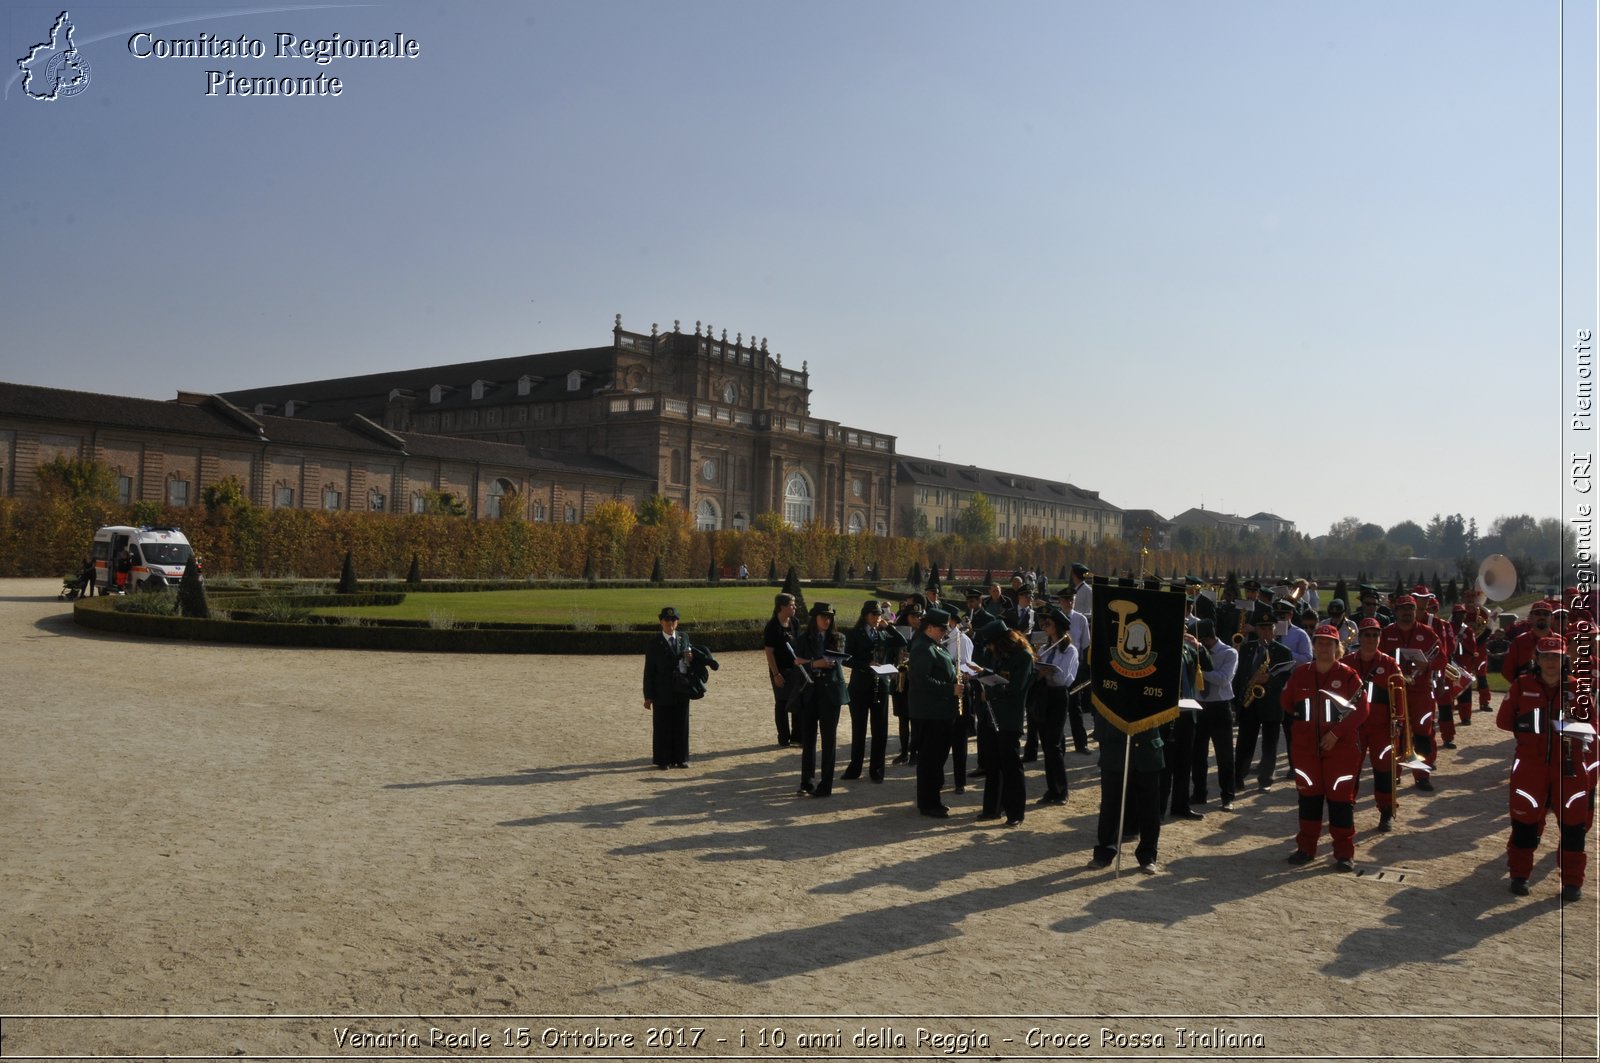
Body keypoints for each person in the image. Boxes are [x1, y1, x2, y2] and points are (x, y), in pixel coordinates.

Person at [1499, 636, 1596, 902]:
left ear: (1565, 659)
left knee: (1573, 827)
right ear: (1537, 659)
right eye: (1545, 656)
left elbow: (1594, 730)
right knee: (1525, 823)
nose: (1550, 662)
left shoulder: (1578, 689)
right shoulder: (1522, 685)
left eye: (1556, 657)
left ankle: (1572, 882)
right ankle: (1519, 876)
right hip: (1531, 766)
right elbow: (1503, 721)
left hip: (1570, 768)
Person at [1279, 625, 1370, 871]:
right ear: (1314, 645)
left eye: (1329, 643)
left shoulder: (1350, 676)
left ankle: (1343, 853)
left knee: (1340, 800)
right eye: (1319, 642)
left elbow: (1362, 710)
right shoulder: (1300, 674)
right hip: (1306, 749)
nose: (1323, 647)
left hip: (1341, 749)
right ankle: (1306, 848)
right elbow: (1287, 703)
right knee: (1309, 799)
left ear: (1337, 647)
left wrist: (1335, 733)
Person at [1341, 618, 1405, 832]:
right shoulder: (1347, 662)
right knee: (1351, 769)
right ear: (1360, 638)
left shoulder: (1389, 664)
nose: (1371, 639)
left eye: (1375, 635)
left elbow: (1399, 696)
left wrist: (1399, 723)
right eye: (1367, 635)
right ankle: (1346, 807)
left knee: (1384, 771)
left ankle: (1386, 812)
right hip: (1354, 726)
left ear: (1380, 638)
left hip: (1381, 727)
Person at [974, 619, 1035, 826]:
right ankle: (992, 808)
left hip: (1009, 717)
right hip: (991, 715)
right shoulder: (994, 654)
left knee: (1011, 766)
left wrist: (991, 689)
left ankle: (1015, 813)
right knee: (992, 764)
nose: (989, 648)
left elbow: (1016, 688)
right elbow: (990, 673)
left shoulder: (1023, 657)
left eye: (992, 643)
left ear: (1002, 641)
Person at [1378, 595, 1442, 791]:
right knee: (1395, 733)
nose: (1406, 612)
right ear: (1396, 611)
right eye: (1402, 608)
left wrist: (1428, 664)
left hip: (1420, 692)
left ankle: (1421, 775)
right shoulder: (1386, 633)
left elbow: (1443, 659)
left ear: (1416, 611)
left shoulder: (1428, 633)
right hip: (1395, 691)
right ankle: (1394, 774)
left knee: (1423, 734)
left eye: (1410, 609)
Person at [1233, 607, 1296, 793]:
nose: (1266, 632)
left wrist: (1270, 680)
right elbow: (1239, 675)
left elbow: (1286, 677)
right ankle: (1239, 777)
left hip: (1272, 703)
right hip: (1249, 702)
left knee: (1270, 743)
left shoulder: (1283, 652)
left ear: (1275, 629)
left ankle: (1266, 779)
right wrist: (1237, 700)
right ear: (1257, 630)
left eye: (1269, 628)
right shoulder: (1246, 648)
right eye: (1262, 628)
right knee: (1245, 742)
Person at [842, 600, 905, 783]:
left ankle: (877, 770)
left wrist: (890, 627)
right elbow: (846, 659)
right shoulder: (854, 634)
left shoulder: (882, 633)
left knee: (880, 730)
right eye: (874, 615)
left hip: (881, 686)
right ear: (865, 616)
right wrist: (865, 665)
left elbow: (901, 641)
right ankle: (855, 768)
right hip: (860, 686)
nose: (878, 618)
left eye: (879, 615)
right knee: (859, 729)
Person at [907, 607, 961, 818]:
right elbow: (921, 681)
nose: (944, 633)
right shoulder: (922, 648)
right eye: (941, 629)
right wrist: (950, 689)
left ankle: (932, 799)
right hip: (930, 712)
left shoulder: (934, 645)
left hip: (940, 712)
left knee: (936, 759)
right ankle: (928, 802)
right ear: (930, 628)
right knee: (930, 759)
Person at [795, 602, 848, 797]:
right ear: (815, 618)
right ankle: (806, 781)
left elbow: (835, 662)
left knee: (829, 740)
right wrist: (813, 663)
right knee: (808, 740)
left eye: (830, 617)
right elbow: (796, 665)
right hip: (809, 693)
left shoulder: (838, 638)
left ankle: (826, 784)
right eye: (823, 616)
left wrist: (809, 662)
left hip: (830, 694)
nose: (827, 620)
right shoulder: (803, 639)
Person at [1190, 619, 1239, 811]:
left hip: (1220, 707)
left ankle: (1227, 796)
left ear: (1210, 638)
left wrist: (1199, 671)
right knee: (1198, 754)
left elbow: (1223, 679)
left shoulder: (1228, 653)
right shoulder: (1194, 651)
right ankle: (1199, 793)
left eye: (1203, 641)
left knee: (1224, 755)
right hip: (1199, 706)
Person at [1032, 607, 1079, 807]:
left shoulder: (1069, 650)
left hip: (1059, 696)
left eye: (1048, 624)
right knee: (1047, 744)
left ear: (1057, 627)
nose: (1044, 627)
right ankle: (1051, 789)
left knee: (1054, 744)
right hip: (1044, 696)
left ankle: (1062, 790)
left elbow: (1067, 679)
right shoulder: (1044, 649)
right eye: (1043, 624)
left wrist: (1048, 672)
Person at [642, 606, 693, 769]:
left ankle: (681, 758)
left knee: (681, 724)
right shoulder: (654, 643)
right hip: (662, 689)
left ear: (677, 622)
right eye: (667, 620)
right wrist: (648, 696)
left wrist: (692, 658)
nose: (670, 623)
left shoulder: (684, 637)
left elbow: (690, 661)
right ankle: (663, 760)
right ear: (661, 622)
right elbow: (649, 671)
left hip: (681, 688)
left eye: (673, 620)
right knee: (662, 725)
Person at [763, 593, 801, 746]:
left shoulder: (795, 622)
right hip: (780, 669)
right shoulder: (772, 626)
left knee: (798, 701)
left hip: (795, 669)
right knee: (782, 703)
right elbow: (769, 652)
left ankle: (798, 736)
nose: (795, 607)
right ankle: (783, 737)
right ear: (782, 607)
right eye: (792, 605)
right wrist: (776, 674)